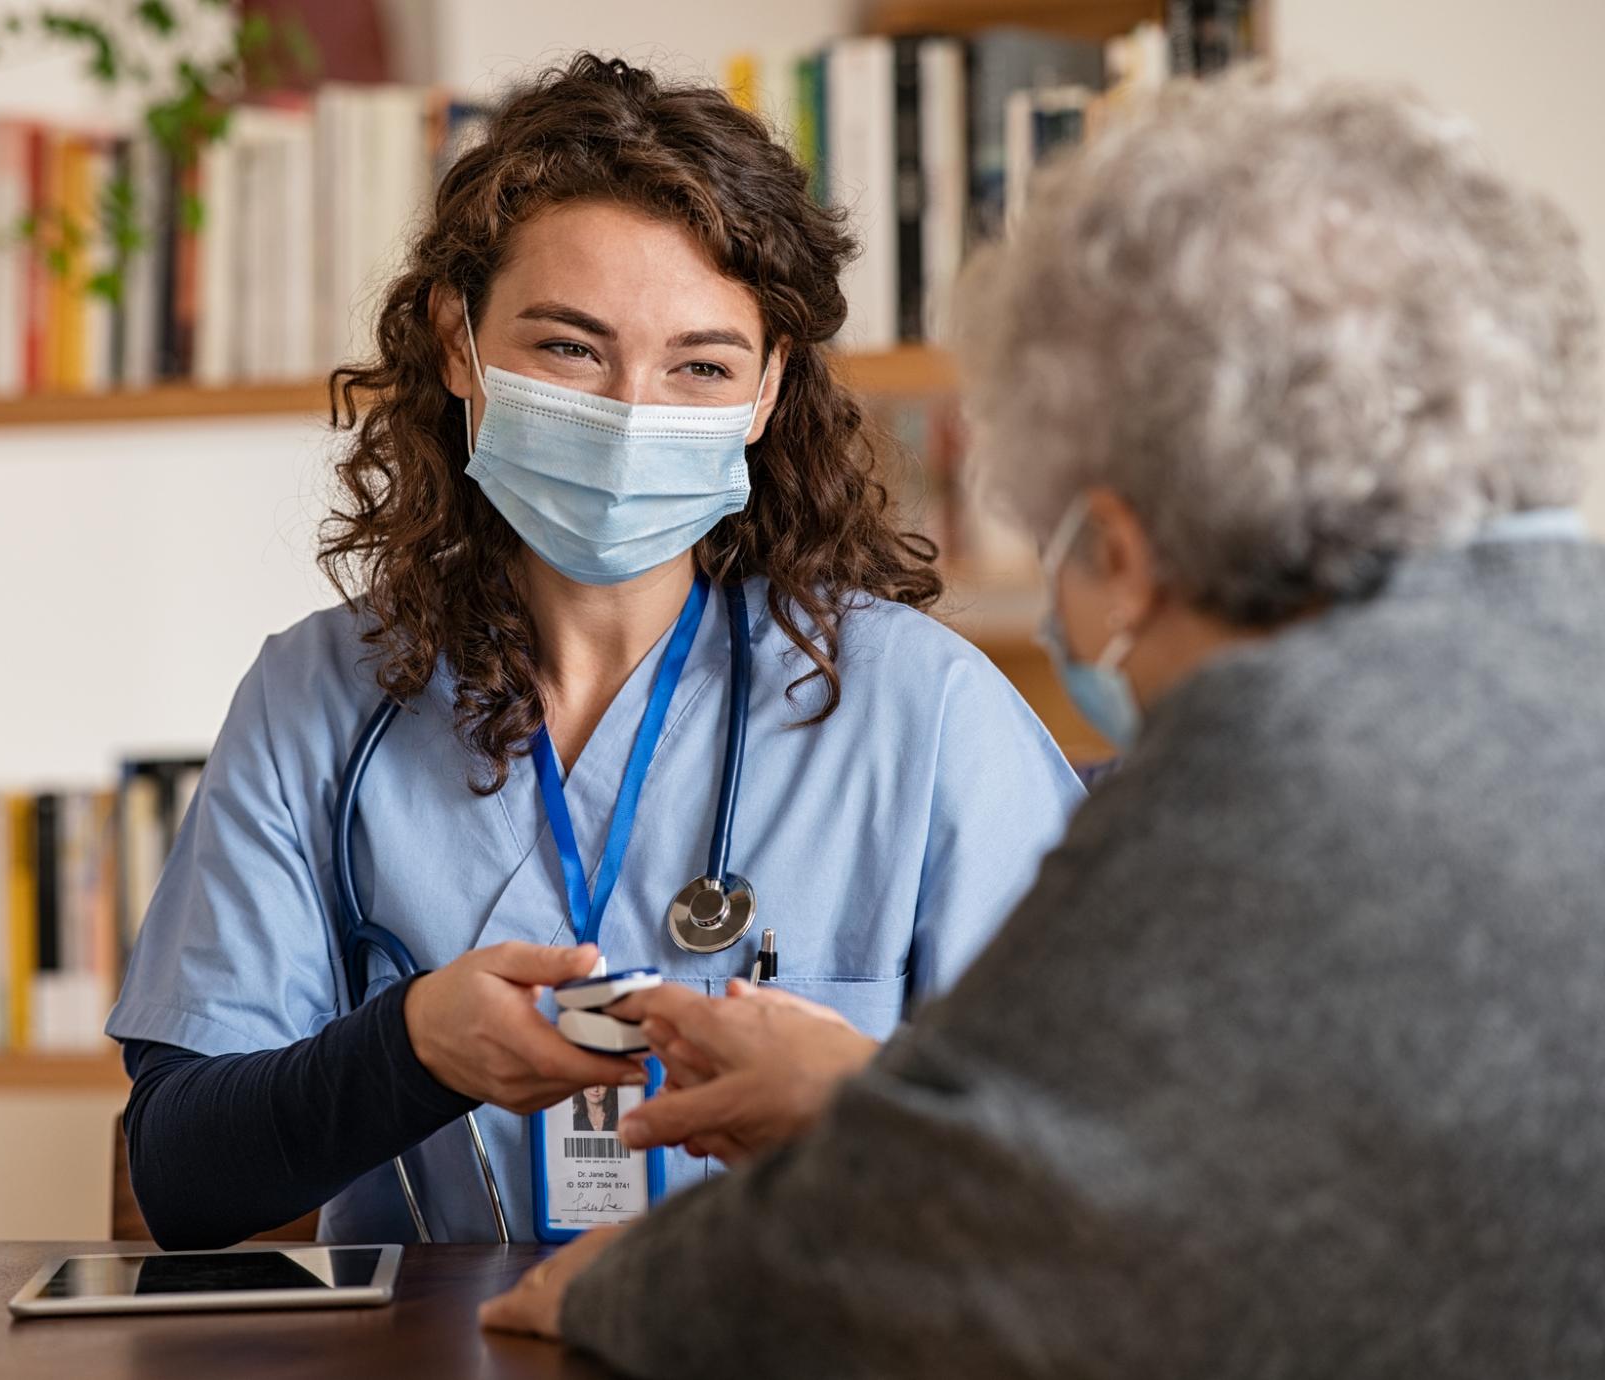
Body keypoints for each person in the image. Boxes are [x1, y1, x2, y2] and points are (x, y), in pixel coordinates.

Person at [481, 68, 1605, 1376]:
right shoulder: (1562, 638)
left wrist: (623, 1289)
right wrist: (865, 1104)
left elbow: (973, 1237)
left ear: (1123, 552)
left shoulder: (1269, 757)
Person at [105, 54, 1081, 1248]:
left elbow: (1084, 1159)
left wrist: (845, 1107)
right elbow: (184, 1177)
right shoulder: (320, 701)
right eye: (568, 349)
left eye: (700, 366)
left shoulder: (920, 712)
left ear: (767, 391)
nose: (631, 413)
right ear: (455, 342)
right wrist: (409, 1047)